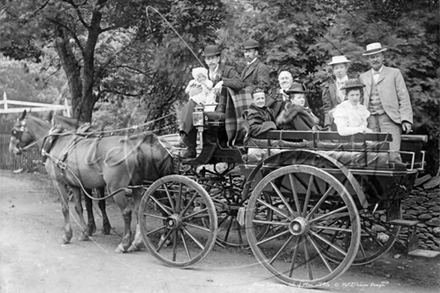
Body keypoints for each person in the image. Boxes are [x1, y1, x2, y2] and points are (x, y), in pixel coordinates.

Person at [177, 45, 244, 158]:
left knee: (194, 110)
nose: (211, 61)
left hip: (221, 107)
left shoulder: (227, 70)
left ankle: (187, 140)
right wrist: (193, 91)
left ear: (218, 59)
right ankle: (189, 144)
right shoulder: (204, 74)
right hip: (204, 104)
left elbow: (239, 84)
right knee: (189, 106)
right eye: (208, 59)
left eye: (213, 58)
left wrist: (222, 82)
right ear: (205, 60)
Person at [359, 42, 413, 161]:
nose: (375, 59)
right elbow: (360, 100)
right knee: (372, 156)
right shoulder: (363, 77)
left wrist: (406, 119)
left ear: (383, 56)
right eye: (372, 57)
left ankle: (397, 180)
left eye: (377, 56)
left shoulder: (394, 73)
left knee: (393, 155)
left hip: (389, 119)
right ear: (368, 59)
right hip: (370, 121)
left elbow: (403, 97)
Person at [321, 55, 351, 131]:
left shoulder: (353, 84)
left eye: (341, 67)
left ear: (346, 68)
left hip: (352, 122)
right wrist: (328, 125)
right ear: (333, 71)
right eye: (336, 68)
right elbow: (327, 108)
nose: (339, 70)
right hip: (335, 124)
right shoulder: (329, 87)